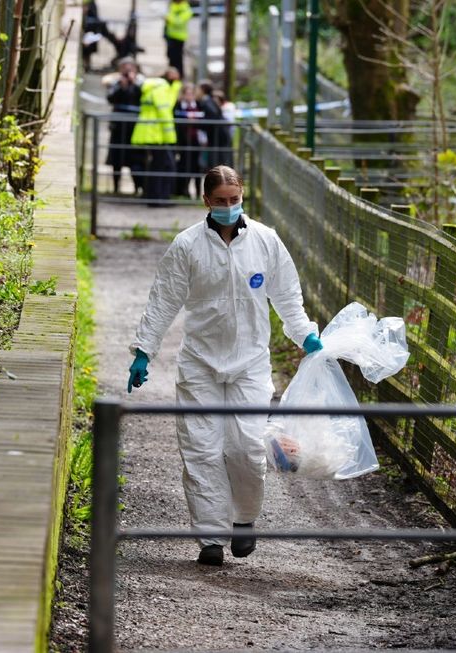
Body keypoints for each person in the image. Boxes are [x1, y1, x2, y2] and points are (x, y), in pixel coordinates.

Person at [126, 166, 324, 566]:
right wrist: (144, 351)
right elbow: (163, 300)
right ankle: (211, 539)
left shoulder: (266, 242)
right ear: (206, 201)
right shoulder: (186, 246)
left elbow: (286, 294)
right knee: (201, 450)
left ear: (243, 196)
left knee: (247, 448)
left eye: (234, 200)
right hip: (200, 363)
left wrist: (305, 335)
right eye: (221, 201)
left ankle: (245, 520)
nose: (229, 207)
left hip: (250, 362)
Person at [131, 71, 179, 203]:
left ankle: (153, 196)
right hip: (158, 134)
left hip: (149, 132)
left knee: (156, 166)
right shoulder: (161, 88)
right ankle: (159, 198)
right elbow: (164, 112)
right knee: (164, 166)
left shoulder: (151, 87)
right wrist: (171, 137)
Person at [105, 57, 144, 194]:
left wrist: (134, 83)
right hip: (118, 127)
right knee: (117, 159)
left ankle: (137, 187)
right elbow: (110, 98)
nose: (127, 72)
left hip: (135, 128)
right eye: (124, 68)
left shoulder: (141, 82)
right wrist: (122, 87)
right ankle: (116, 187)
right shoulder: (116, 82)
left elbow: (143, 97)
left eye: (130, 68)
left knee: (136, 159)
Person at [173, 83, 205, 198]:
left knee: (196, 167)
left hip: (196, 140)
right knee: (184, 165)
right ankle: (183, 191)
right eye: (187, 93)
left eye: (191, 93)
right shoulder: (178, 105)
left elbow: (204, 118)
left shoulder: (199, 104)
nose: (189, 96)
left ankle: (197, 192)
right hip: (183, 140)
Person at [164, 0, 194, 79]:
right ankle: (171, 75)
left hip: (179, 38)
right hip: (170, 35)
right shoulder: (173, 5)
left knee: (177, 59)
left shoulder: (186, 9)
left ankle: (178, 76)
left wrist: (169, 19)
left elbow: (179, 21)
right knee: (170, 56)